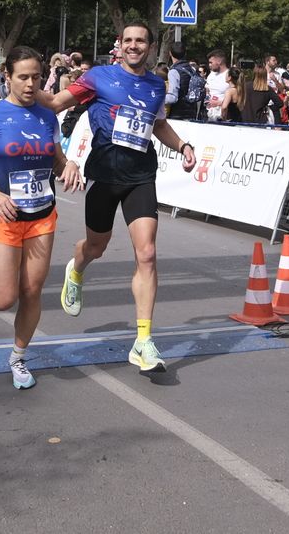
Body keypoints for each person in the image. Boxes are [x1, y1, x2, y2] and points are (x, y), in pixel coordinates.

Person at [38, 20, 196, 372]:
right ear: (119, 45)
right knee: (97, 246)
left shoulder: (157, 83)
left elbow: (157, 125)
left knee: (148, 253)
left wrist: (183, 145)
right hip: (105, 176)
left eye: (141, 41)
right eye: (128, 40)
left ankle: (143, 341)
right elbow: (55, 103)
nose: (134, 46)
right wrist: (28, 87)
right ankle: (76, 270)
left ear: (151, 47)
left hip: (141, 176)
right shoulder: (98, 77)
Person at [0, 46, 82, 389]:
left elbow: (57, 160)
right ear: (7, 77)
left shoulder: (47, 116)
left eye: (36, 77)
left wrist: (69, 164)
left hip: (42, 214)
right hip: (5, 213)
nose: (30, 84)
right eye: (23, 77)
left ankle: (18, 357)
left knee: (32, 290)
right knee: (2, 299)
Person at [163, 41, 203, 120]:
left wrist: (156, 99)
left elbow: (172, 97)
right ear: (185, 53)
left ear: (170, 53)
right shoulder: (192, 69)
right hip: (192, 114)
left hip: (177, 115)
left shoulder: (174, 72)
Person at [204, 49, 231, 121]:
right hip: (210, 116)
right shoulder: (211, 75)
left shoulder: (229, 76)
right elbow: (207, 91)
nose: (209, 65)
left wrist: (220, 103)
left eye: (211, 62)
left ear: (219, 61)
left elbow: (237, 97)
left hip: (224, 117)